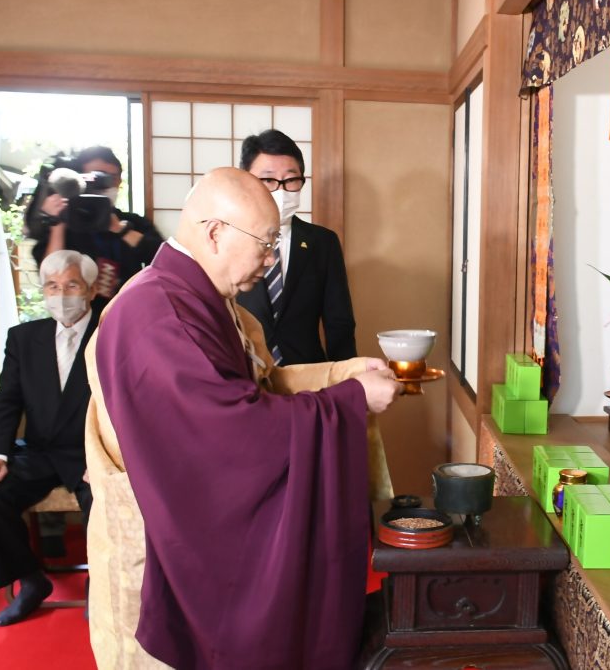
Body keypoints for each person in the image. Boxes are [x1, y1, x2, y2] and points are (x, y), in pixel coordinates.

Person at [86, 167, 401, 669]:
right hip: (163, 543)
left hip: (184, 527)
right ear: (214, 233)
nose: (271, 259)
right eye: (266, 242)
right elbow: (233, 434)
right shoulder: (155, 313)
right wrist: (349, 401)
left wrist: (345, 375)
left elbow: (260, 387)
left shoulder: (208, 300)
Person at [0, 250, 98, 626]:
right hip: (40, 452)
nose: (61, 294)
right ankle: (30, 580)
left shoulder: (111, 332)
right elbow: (7, 401)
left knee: (108, 498)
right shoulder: (24, 337)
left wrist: (109, 458)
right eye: (52, 286)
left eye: (71, 284)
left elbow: (129, 402)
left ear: (90, 290)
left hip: (91, 454)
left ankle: (99, 583)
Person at [236, 130, 357, 365]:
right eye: (268, 180)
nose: (281, 190)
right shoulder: (230, 239)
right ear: (246, 181)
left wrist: (348, 381)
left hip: (309, 376)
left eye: (291, 180)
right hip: (243, 374)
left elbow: (339, 322)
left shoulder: (323, 242)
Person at [32, 146, 163, 317]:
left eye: (112, 178)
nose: (104, 184)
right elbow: (49, 273)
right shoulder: (63, 224)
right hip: (76, 321)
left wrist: (119, 229)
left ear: (120, 182)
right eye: (96, 176)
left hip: (127, 317)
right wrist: (58, 221)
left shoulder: (133, 222)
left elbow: (163, 258)